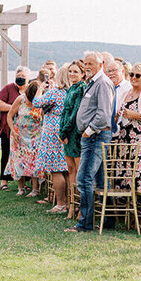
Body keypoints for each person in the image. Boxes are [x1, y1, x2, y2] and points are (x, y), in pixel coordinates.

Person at [67, 51, 115, 233]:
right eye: (85, 63)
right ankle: (108, 221)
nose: (87, 66)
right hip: (92, 137)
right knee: (102, 181)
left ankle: (85, 223)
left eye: (91, 64)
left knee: (84, 177)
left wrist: (88, 131)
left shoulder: (102, 83)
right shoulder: (92, 82)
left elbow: (103, 114)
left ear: (100, 65)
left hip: (95, 136)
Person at [32, 68, 71, 213]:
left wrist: (40, 89)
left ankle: (60, 203)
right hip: (65, 131)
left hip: (52, 133)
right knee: (66, 170)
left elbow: (36, 102)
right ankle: (69, 203)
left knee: (56, 170)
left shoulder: (56, 93)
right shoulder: (70, 93)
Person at [57, 60, 87, 219]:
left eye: (76, 72)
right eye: (70, 71)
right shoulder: (70, 89)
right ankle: (71, 205)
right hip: (67, 132)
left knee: (79, 171)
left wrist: (65, 132)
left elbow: (76, 112)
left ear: (82, 74)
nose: (72, 74)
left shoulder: (81, 89)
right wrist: (61, 130)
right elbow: (64, 112)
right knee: (70, 170)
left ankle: (81, 207)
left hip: (75, 133)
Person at [0, 66, 28, 191]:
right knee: (6, 153)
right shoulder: (8, 88)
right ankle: (4, 181)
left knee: (24, 156)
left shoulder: (29, 90)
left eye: (23, 77)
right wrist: (14, 108)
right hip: (7, 129)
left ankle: (23, 182)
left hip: (25, 131)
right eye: (18, 76)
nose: (21, 78)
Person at [8, 80, 43, 197]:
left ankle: (35, 189)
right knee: (19, 160)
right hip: (19, 135)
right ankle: (21, 188)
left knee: (33, 161)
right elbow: (10, 115)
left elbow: (43, 120)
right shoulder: (20, 99)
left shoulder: (40, 102)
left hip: (35, 136)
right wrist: (13, 131)